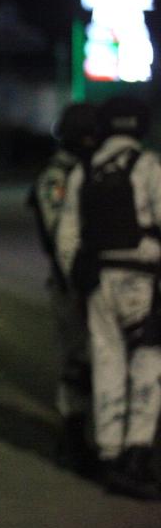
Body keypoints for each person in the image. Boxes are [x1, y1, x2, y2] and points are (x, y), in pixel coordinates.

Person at [56, 96, 161, 499]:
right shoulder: (147, 166)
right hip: (142, 282)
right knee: (147, 364)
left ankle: (108, 453)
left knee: (107, 363)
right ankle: (136, 454)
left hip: (99, 281)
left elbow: (68, 236)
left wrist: (77, 280)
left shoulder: (87, 171)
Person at [27, 102, 99, 471]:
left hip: (89, 282)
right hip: (69, 283)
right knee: (76, 363)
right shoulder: (57, 176)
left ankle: (89, 439)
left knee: (94, 364)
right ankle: (73, 441)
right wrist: (77, 285)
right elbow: (60, 237)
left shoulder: (85, 170)